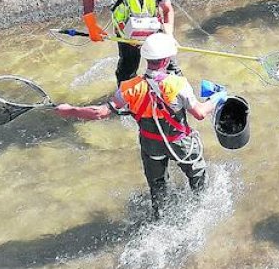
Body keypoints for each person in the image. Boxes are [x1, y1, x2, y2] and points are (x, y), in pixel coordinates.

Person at [56, 32, 226, 218]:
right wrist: (217, 99)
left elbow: (100, 112)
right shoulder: (178, 84)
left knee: (158, 185)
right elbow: (200, 113)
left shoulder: (129, 87)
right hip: (179, 143)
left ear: (147, 58)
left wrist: (70, 110)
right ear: (166, 60)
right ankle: (201, 208)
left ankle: (159, 216)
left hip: (151, 145)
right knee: (197, 174)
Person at [80, 0, 176, 83]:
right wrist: (92, 26)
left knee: (169, 65)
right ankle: (124, 99)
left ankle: (173, 97)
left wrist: (168, 31)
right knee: (128, 70)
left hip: (152, 29)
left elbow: (167, 10)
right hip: (127, 35)